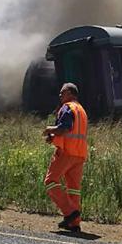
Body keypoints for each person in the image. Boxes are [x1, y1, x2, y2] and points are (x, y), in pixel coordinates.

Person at [42, 82, 88, 233]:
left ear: (70, 93)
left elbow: (65, 128)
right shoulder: (81, 109)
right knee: (73, 189)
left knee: (50, 181)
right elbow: (71, 131)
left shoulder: (68, 107)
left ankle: (70, 212)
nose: (60, 95)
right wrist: (54, 137)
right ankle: (74, 224)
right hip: (79, 154)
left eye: (62, 92)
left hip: (66, 153)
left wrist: (49, 129)